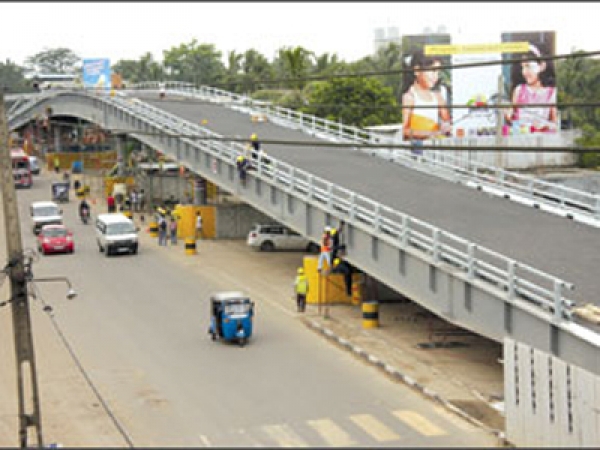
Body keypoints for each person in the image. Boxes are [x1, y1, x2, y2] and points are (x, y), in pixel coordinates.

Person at [505, 43, 557, 133]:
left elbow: (555, 123)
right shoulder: (519, 90)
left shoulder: (551, 93)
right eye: (523, 67)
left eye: (528, 66)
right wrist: (507, 114)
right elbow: (511, 115)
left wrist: (544, 126)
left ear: (541, 66)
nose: (525, 72)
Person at [401, 50, 452, 142]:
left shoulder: (438, 97)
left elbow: (447, 121)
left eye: (438, 72)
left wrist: (447, 126)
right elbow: (404, 130)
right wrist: (430, 133)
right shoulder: (409, 97)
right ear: (417, 70)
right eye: (432, 71)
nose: (435, 77)